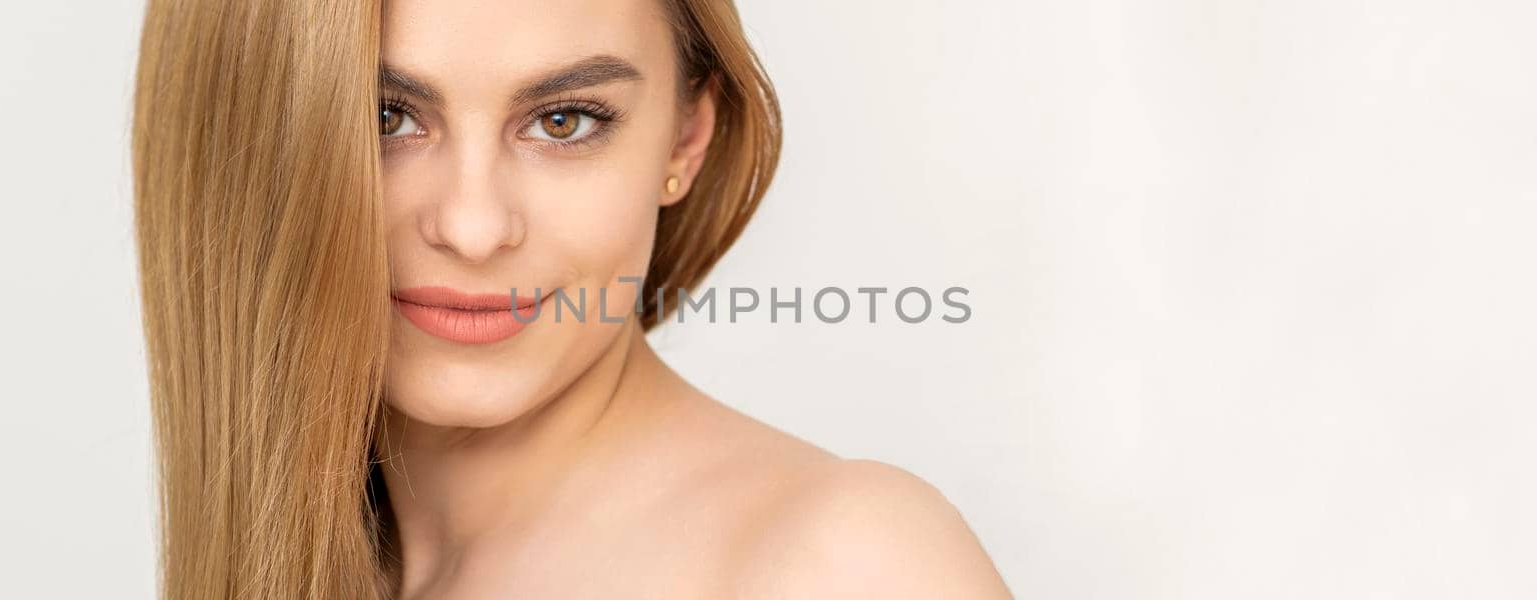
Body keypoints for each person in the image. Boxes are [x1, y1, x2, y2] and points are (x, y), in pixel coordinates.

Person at [131, 0, 1012, 597]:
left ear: (686, 138)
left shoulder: (843, 565)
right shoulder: (323, 561)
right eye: (383, 118)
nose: (473, 228)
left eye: (565, 121)